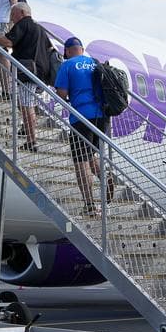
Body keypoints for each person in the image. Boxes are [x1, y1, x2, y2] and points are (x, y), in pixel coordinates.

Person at [54, 37, 110, 216]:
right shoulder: (94, 63)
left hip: (81, 117)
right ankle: (104, 176)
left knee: (80, 161)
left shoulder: (68, 64)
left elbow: (61, 93)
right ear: (82, 49)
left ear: (68, 51)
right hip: (101, 117)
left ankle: (89, 205)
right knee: (90, 153)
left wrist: (70, 98)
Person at [0, 1, 42, 151]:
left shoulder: (23, 23)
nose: (11, 19)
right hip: (37, 73)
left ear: (22, 13)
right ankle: (28, 131)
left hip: (26, 73)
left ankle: (32, 141)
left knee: (26, 106)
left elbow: (8, 41)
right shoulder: (39, 28)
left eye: (13, 14)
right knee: (24, 103)